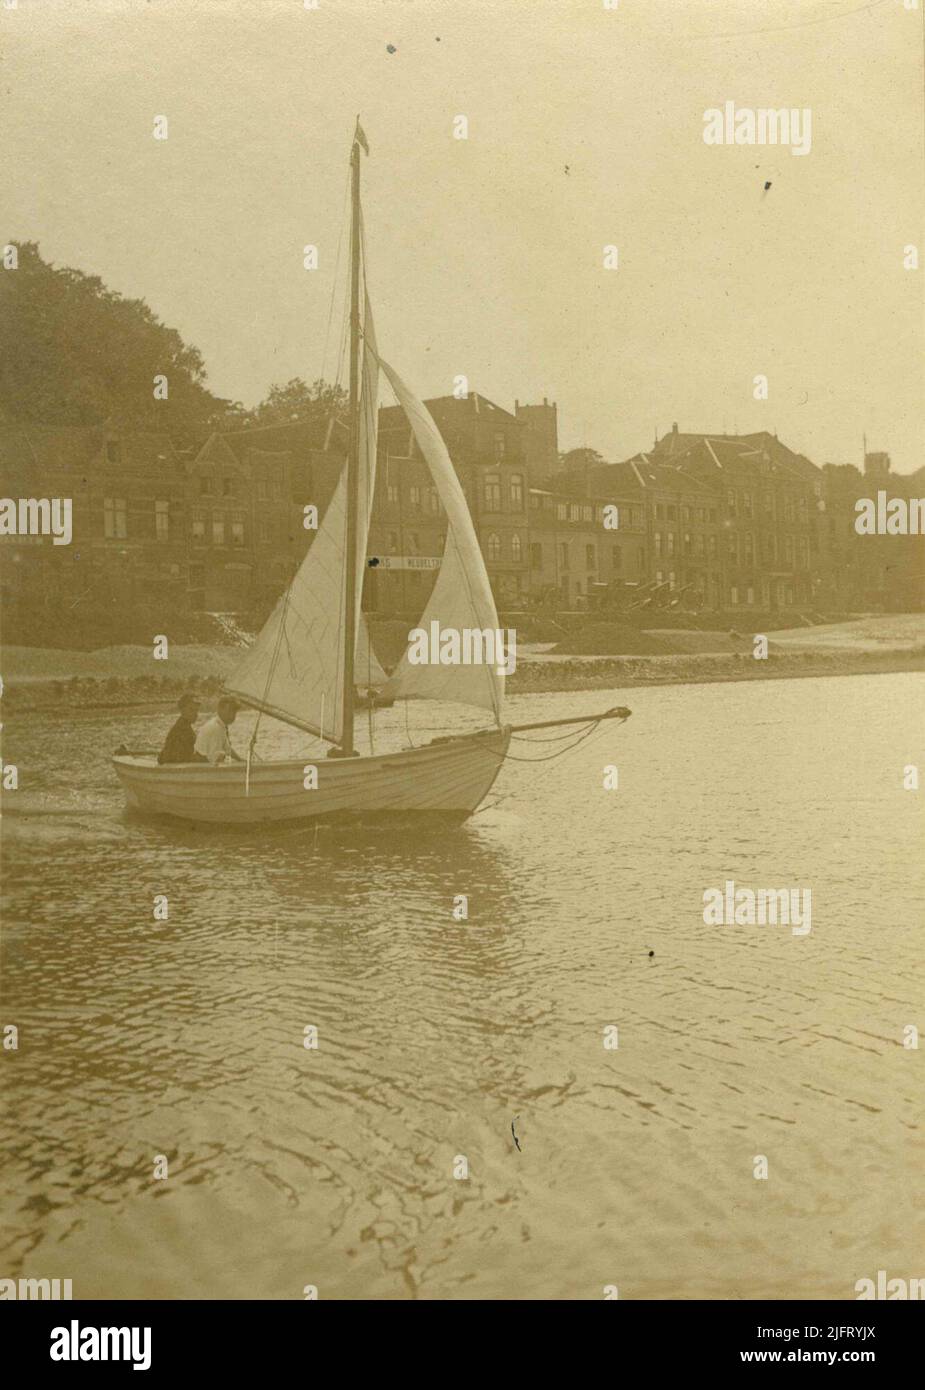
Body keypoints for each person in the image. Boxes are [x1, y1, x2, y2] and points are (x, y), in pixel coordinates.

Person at [194, 696, 245, 764]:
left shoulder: (220, 725)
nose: (232, 715)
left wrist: (241, 760)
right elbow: (214, 759)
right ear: (220, 709)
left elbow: (228, 749)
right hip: (201, 767)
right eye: (229, 711)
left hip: (207, 764)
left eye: (234, 712)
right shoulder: (215, 728)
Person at [158, 693, 206, 765]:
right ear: (182, 710)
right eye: (191, 710)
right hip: (173, 769)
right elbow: (181, 759)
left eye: (196, 710)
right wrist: (205, 758)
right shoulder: (181, 730)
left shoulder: (185, 726)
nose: (195, 714)